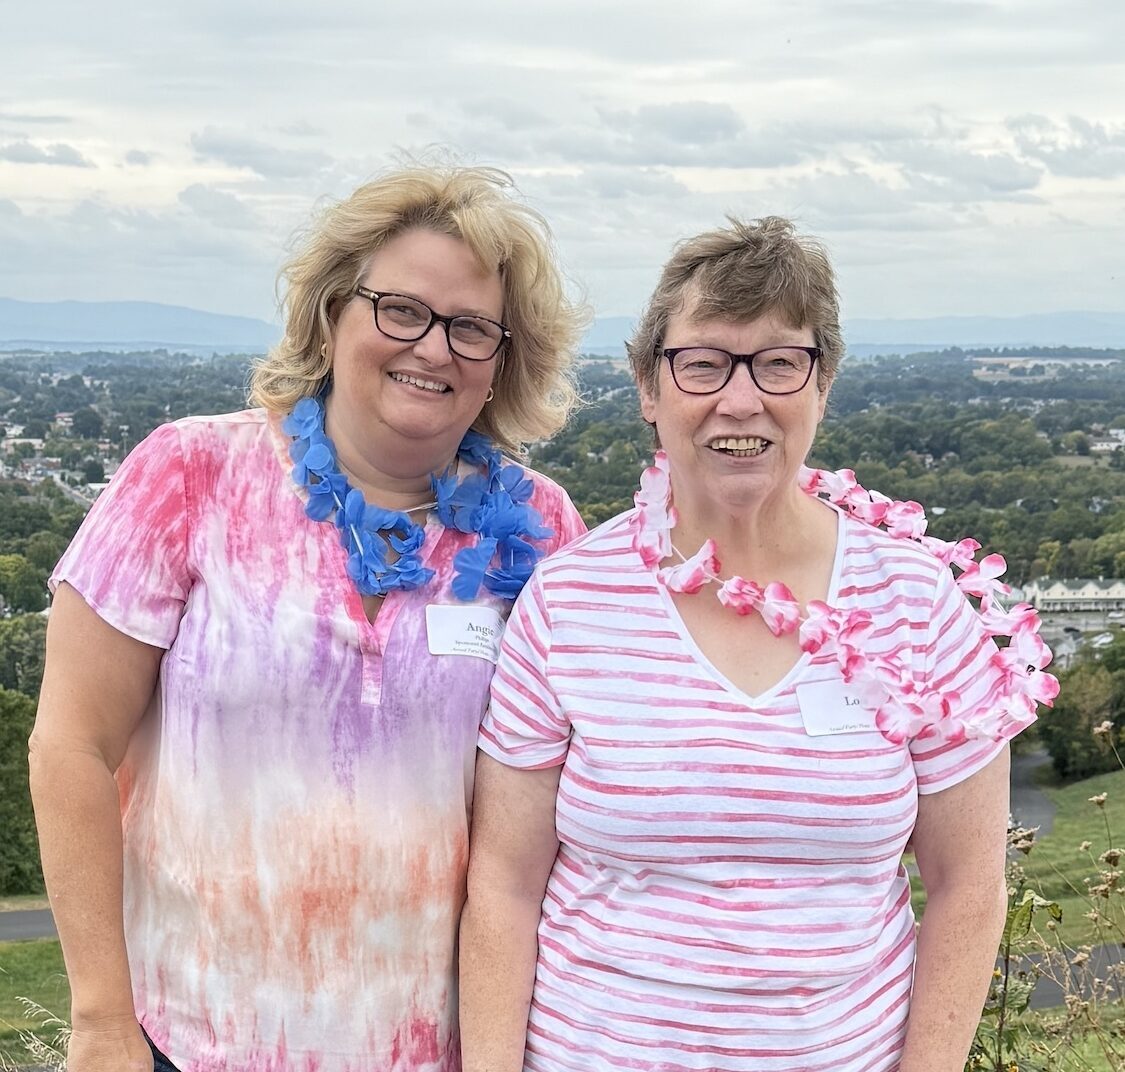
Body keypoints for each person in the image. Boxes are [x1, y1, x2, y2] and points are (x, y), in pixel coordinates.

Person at [459, 216, 1057, 1072]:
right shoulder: (568, 600)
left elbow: (967, 889)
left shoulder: (917, 602)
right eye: (702, 362)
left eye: (779, 362)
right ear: (647, 386)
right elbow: (504, 890)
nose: (740, 400)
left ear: (822, 384)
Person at [28, 164, 588, 1072]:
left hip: (441, 1048)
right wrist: (99, 1020)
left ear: (504, 362)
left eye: (472, 328)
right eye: (400, 309)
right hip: (189, 1035)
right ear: (333, 315)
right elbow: (70, 748)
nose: (433, 348)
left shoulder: (544, 530)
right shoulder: (191, 475)